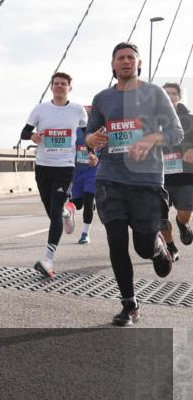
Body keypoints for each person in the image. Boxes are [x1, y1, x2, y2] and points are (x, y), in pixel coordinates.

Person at [86, 42, 182, 327]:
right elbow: (90, 134)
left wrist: (152, 138)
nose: (126, 61)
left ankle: (157, 248)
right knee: (116, 241)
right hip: (110, 178)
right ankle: (130, 305)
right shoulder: (102, 98)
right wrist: (91, 141)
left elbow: (176, 133)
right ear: (113, 65)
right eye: (120, 58)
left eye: (131, 57)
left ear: (138, 64)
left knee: (141, 247)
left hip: (146, 180)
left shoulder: (153, 93)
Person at [20, 73, 88, 276]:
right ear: (51, 87)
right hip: (42, 166)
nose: (59, 86)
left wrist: (91, 154)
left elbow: (85, 135)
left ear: (70, 87)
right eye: (56, 84)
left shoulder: (78, 110)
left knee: (55, 209)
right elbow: (24, 132)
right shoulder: (40, 109)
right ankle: (68, 212)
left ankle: (48, 260)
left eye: (63, 84)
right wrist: (32, 135)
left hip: (66, 167)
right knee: (53, 213)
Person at [160, 82, 193, 261]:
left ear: (179, 97)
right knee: (161, 218)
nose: (170, 96)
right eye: (166, 94)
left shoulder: (189, 119)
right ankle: (171, 247)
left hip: (186, 176)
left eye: (173, 94)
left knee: (185, 212)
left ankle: (182, 223)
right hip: (160, 178)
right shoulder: (152, 119)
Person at [71, 114, 99, 244]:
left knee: (88, 203)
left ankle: (85, 233)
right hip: (77, 173)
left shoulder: (99, 132)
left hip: (92, 173)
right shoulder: (75, 132)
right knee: (77, 205)